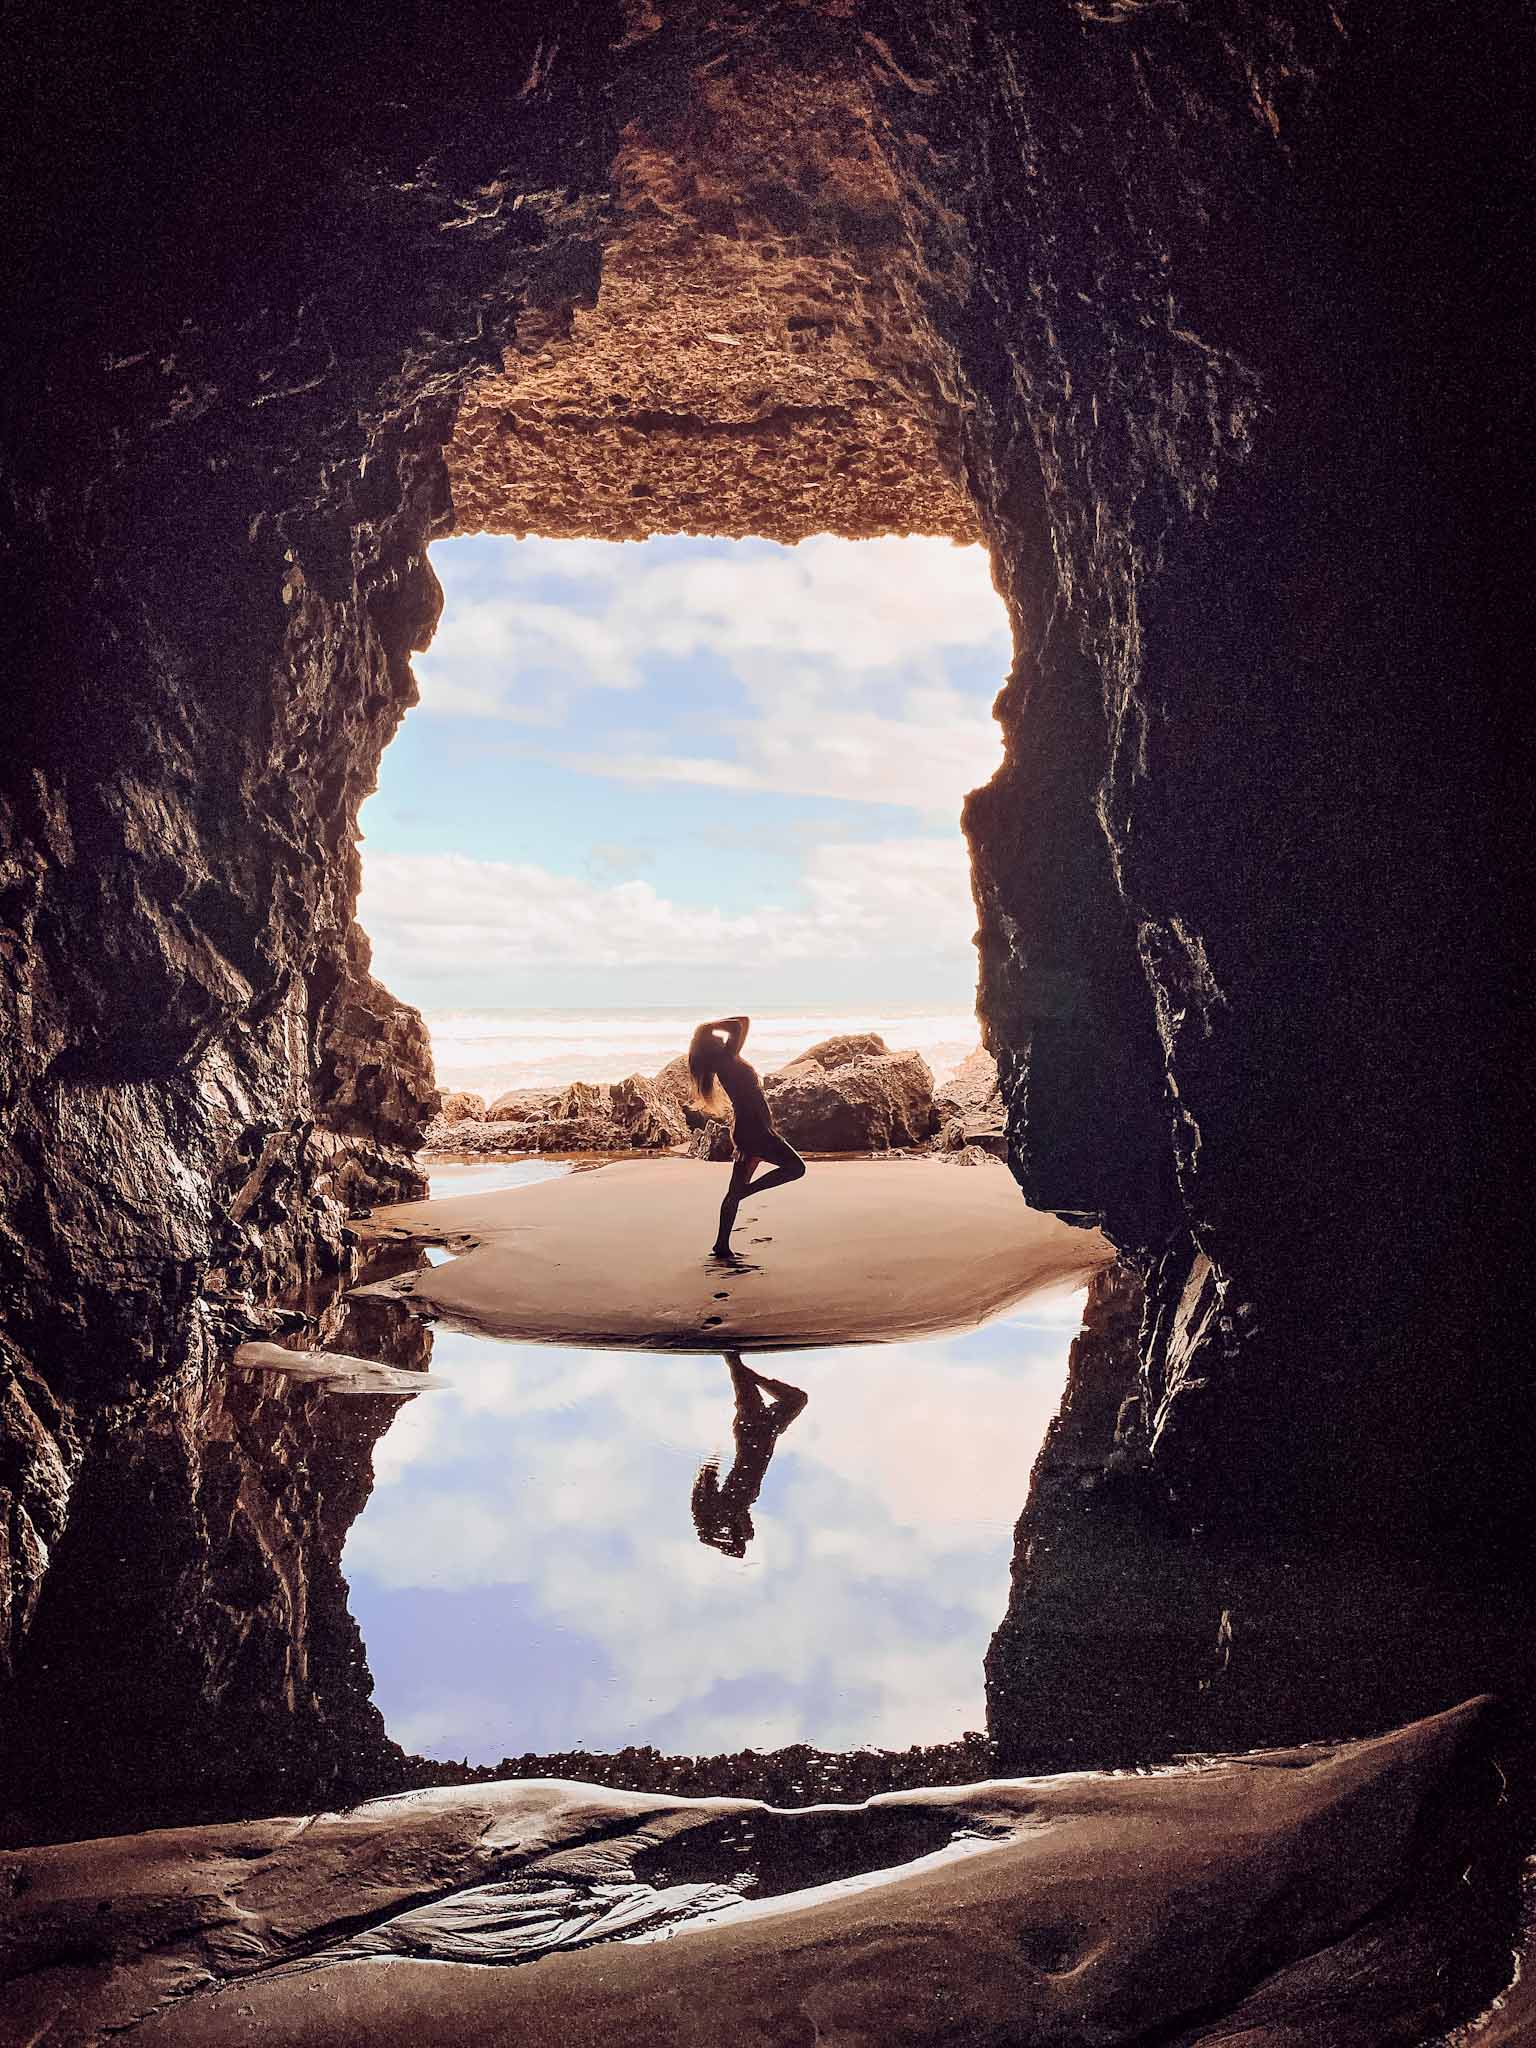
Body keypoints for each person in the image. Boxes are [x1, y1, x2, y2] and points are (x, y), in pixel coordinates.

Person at [687, 1014, 806, 1260]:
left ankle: (721, 1244)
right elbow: (742, 1021)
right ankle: (747, 1193)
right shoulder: (728, 1057)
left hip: (747, 1129)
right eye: (716, 1038)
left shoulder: (725, 1061)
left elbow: (739, 1024)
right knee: (796, 1168)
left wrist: (706, 1032)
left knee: (734, 1190)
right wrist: (707, 1027)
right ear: (713, 1046)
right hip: (755, 1131)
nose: (721, 1038)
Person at [691, 1351, 808, 1559]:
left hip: (751, 1432)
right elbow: (746, 1539)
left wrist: (710, 1539)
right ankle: (747, 1373)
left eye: (744, 1528)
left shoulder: (732, 1505)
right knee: (797, 1399)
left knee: (736, 1368)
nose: (749, 1529)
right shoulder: (743, 1503)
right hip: (769, 1431)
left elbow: (739, 1550)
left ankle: (734, 1359)